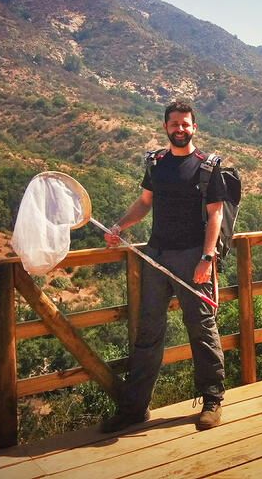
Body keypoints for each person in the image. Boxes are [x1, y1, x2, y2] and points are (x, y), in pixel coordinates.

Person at [101, 100, 226, 432]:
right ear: (165, 127)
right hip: (156, 255)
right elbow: (144, 203)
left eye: (186, 124)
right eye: (174, 124)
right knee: (148, 332)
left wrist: (206, 258)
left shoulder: (207, 166)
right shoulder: (156, 163)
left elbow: (216, 214)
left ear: (194, 127)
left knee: (201, 328)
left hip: (192, 257)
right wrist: (118, 227)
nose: (180, 129)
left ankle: (212, 400)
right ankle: (135, 409)